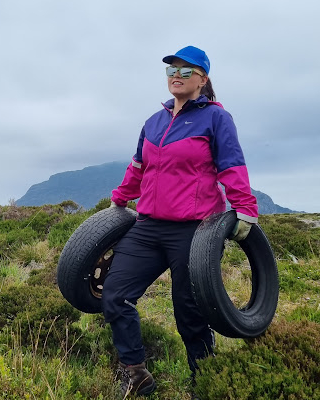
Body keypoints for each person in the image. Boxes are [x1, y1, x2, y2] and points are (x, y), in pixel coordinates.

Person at [102, 45, 258, 398]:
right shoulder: (153, 122)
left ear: (202, 79)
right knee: (115, 294)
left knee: (189, 312)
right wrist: (122, 195)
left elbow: (231, 166)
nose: (177, 76)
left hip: (195, 230)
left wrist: (245, 209)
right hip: (148, 227)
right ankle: (136, 372)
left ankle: (203, 382)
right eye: (172, 70)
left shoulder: (216, 118)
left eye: (186, 71)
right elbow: (139, 167)